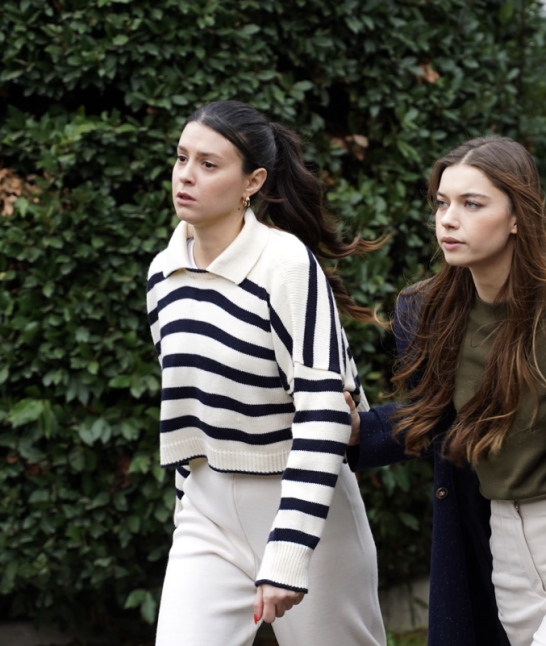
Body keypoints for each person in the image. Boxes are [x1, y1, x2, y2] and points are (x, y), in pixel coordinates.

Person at [345, 136, 546, 646]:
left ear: (518, 216)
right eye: (442, 203)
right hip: (502, 545)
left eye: (472, 204)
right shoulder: (431, 312)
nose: (448, 220)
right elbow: (439, 416)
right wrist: (356, 432)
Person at [146, 100, 386, 646]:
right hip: (205, 513)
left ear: (252, 182)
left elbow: (325, 412)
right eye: (182, 158)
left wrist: (289, 550)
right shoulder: (163, 275)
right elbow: (190, 409)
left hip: (305, 508)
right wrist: (188, 502)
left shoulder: (286, 265)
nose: (186, 175)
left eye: (209, 164)